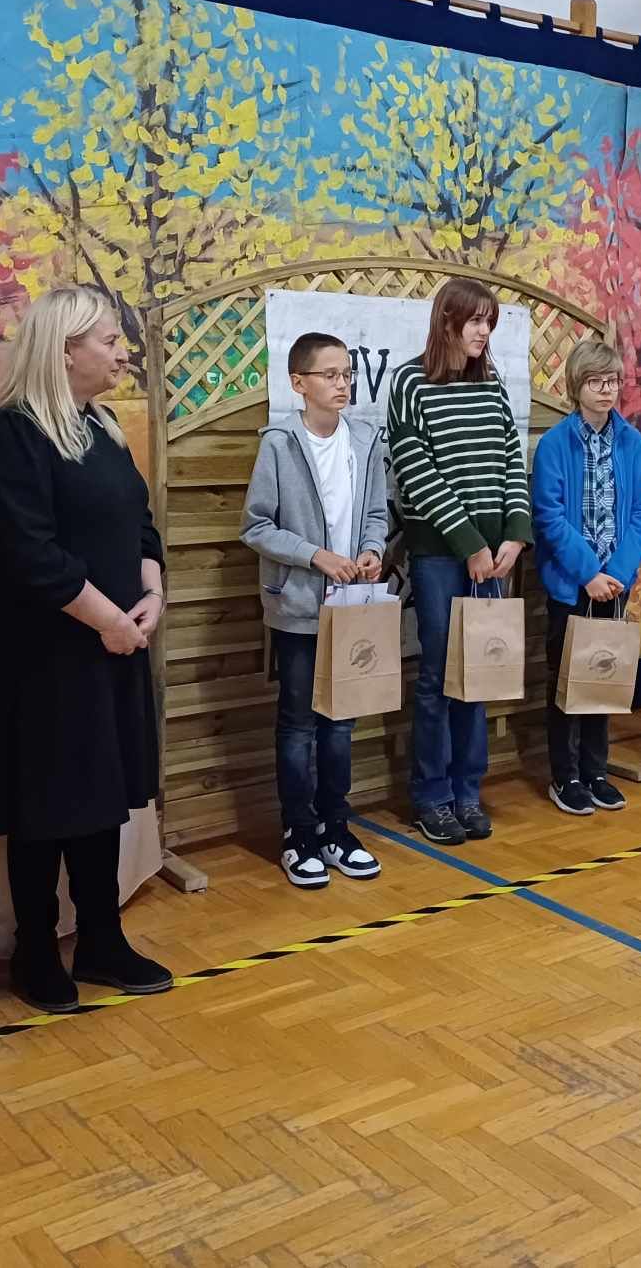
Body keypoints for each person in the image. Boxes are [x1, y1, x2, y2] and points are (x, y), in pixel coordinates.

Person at [0, 285, 173, 1013]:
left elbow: (139, 524)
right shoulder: (11, 435)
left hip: (110, 646)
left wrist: (151, 591)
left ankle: (101, 939)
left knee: (100, 798)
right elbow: (30, 554)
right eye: (109, 341)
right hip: (46, 658)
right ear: (63, 351)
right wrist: (108, 620)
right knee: (46, 805)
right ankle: (35, 949)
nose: (122, 353)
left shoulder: (104, 426)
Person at [241, 332, 390, 887]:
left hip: (350, 607)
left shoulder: (365, 440)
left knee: (340, 723)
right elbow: (256, 526)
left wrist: (371, 550)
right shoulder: (279, 444)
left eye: (347, 373)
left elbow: (377, 513)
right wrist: (315, 555)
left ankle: (336, 827)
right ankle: (298, 833)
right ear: (298, 383)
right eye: (329, 375)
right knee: (299, 723)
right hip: (299, 606)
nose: (342, 384)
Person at [387, 278, 532, 845]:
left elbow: (511, 459)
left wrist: (514, 535)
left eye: (490, 322)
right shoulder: (410, 382)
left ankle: (468, 790)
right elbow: (416, 473)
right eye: (475, 320)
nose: (483, 331)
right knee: (438, 676)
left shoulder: (491, 386)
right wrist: (469, 543)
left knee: (477, 673)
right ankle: (432, 796)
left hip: (493, 557)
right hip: (441, 554)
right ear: (447, 321)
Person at [531, 339, 641, 815]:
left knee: (604, 675)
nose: (606, 390)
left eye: (613, 381)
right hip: (573, 584)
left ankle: (596, 770)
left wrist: (617, 572)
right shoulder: (555, 444)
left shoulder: (631, 442)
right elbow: (549, 516)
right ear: (576, 386)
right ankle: (565, 776)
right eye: (596, 382)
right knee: (567, 680)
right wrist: (588, 573)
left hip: (615, 584)